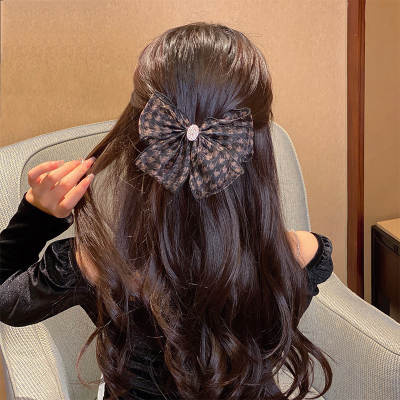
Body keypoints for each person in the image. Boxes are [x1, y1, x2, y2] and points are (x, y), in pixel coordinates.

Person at [0, 22, 334, 400]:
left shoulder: (97, 263)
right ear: (254, 146)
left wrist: (36, 215)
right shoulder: (300, 256)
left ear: (141, 133)